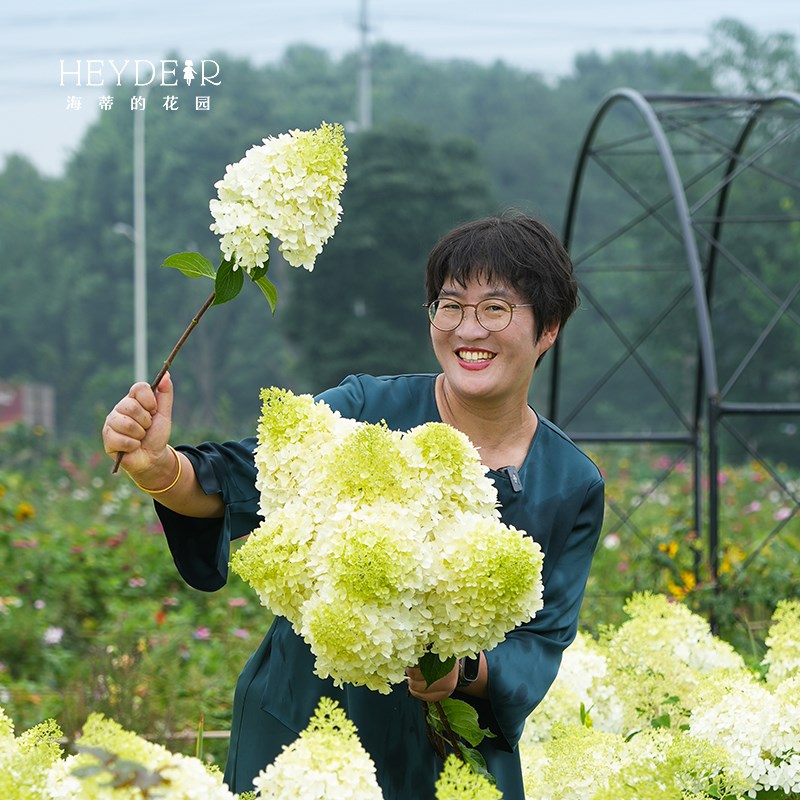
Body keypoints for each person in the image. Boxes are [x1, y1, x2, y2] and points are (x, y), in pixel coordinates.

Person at [102, 214, 605, 799]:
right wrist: (160, 468)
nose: (469, 329)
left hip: (442, 753)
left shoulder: (570, 482)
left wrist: (458, 672)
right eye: (450, 306)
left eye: (496, 309)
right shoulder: (365, 407)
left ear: (549, 329)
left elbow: (540, 642)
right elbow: (243, 477)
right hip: (304, 729)